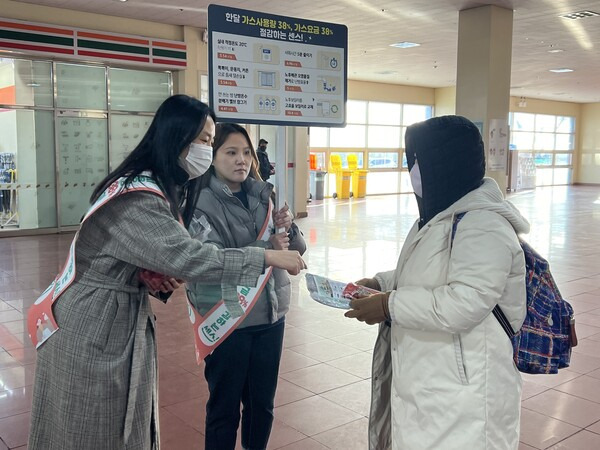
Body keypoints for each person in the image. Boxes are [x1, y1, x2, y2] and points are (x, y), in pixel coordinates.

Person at [27, 95, 306, 450]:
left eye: (244, 152)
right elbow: (191, 256)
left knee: (117, 426)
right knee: (93, 429)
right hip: (95, 329)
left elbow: (143, 254)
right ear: (178, 137)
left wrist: (150, 275)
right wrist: (265, 257)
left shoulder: (162, 186)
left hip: (116, 314)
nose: (222, 154)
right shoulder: (141, 196)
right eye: (206, 141)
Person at [345, 115, 529, 450]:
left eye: (417, 162)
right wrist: (380, 282)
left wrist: (388, 304)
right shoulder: (439, 216)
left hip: (468, 392)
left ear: (444, 164)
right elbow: (424, 273)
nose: (412, 172)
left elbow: (465, 303)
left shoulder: (485, 225)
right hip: (432, 379)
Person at [185, 123, 306, 450]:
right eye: (230, 152)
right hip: (228, 319)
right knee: (224, 409)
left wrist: (289, 228)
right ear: (212, 156)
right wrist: (266, 250)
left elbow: (297, 249)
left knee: (262, 406)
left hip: (270, 316)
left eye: (246, 152)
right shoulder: (199, 201)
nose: (241, 160)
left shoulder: (264, 193)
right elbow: (209, 260)